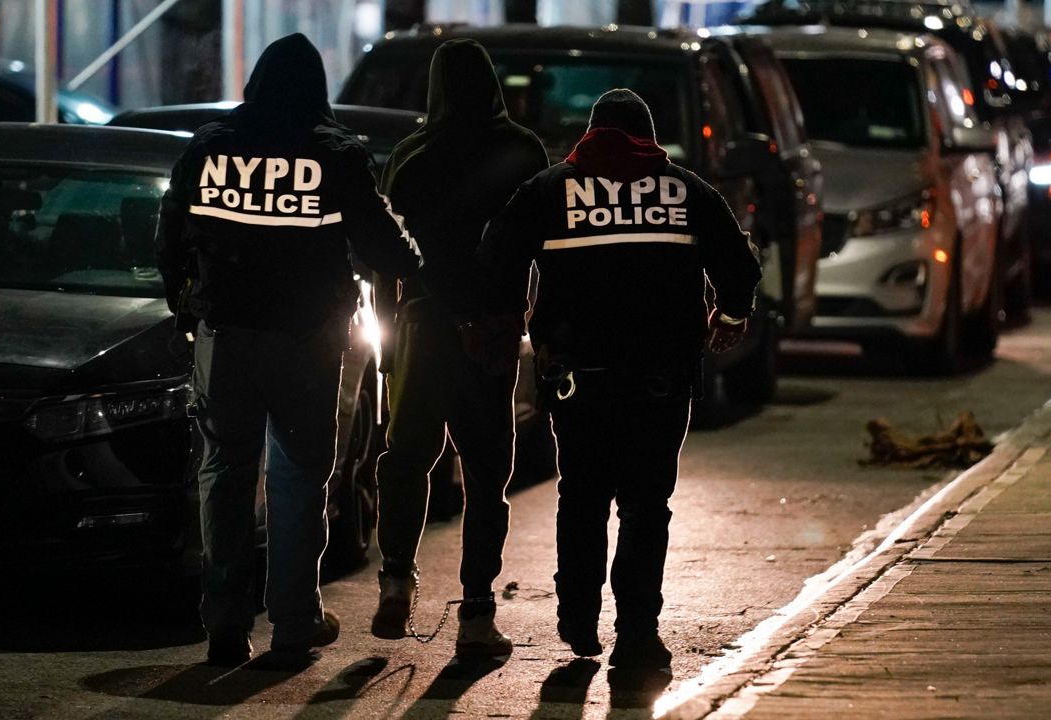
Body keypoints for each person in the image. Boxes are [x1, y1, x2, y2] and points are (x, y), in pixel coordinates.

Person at [155, 33, 422, 666]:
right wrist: (414, 263)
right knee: (298, 478)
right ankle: (295, 624)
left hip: (226, 339)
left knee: (223, 474)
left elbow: (169, 236)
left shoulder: (209, 149)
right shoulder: (336, 154)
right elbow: (387, 249)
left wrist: (185, 306)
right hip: (306, 342)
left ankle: (224, 624)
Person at [477, 89, 761, 672]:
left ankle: (578, 620)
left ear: (591, 131)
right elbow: (739, 264)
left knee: (580, 497)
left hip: (577, 379)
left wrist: (507, 323)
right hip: (661, 379)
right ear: (649, 136)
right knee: (645, 504)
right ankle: (637, 633)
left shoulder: (551, 190)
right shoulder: (686, 191)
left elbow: (496, 258)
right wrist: (729, 316)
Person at [370, 38, 547, 657]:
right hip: (491, 333)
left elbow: (386, 256)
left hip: (423, 325)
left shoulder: (411, 154)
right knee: (486, 473)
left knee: (406, 456)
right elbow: (539, 245)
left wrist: (390, 341)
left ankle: (396, 578)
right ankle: (476, 612)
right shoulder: (523, 151)